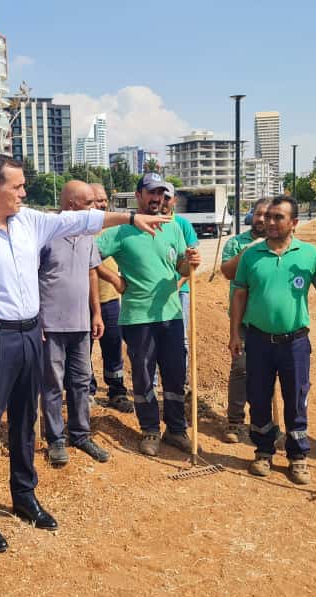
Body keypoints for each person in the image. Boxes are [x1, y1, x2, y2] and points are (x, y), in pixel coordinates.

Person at [0, 154, 167, 553]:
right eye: (18, 187)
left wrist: (130, 220)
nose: (25, 193)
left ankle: (24, 496)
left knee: (26, 420)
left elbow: (79, 220)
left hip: (31, 334)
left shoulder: (29, 221)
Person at [229, 195, 316, 485]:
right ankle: (263, 451)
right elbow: (239, 293)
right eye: (269, 217)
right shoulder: (252, 255)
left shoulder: (308, 254)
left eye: (279, 217)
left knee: (296, 398)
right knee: (259, 396)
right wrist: (233, 334)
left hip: (295, 342)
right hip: (257, 340)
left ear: (294, 223)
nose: (270, 222)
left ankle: (298, 456)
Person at [96, 173, 202, 457]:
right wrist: (115, 280)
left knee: (175, 374)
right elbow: (88, 255)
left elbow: (180, 267)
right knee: (144, 376)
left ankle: (176, 430)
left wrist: (188, 263)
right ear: (139, 195)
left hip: (171, 314)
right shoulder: (121, 230)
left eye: (163, 194)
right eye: (152, 193)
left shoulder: (173, 227)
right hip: (138, 317)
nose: (158, 199)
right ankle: (150, 430)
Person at [39, 180, 110, 467]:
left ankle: (80, 433)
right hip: (51, 324)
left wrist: (96, 312)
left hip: (81, 324)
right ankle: (56, 439)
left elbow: (92, 274)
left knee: (81, 381)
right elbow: (31, 277)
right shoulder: (46, 234)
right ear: (72, 205)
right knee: (53, 383)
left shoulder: (87, 234)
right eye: (90, 203)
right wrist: (37, 319)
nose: (95, 208)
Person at [219, 197, 271, 443]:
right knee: (240, 370)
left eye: (267, 215)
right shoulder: (235, 243)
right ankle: (235, 421)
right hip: (242, 320)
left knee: (267, 373)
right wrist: (250, 250)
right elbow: (227, 272)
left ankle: (265, 422)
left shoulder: (279, 246)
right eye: (258, 214)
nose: (261, 219)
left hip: (269, 322)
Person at [89, 183, 134, 412]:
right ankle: (87, 391)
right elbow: (89, 261)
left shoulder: (113, 229)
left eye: (104, 199)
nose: (102, 203)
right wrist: (114, 278)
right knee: (82, 350)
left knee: (113, 346)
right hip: (82, 302)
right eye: (97, 200)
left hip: (110, 300)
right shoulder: (79, 228)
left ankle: (116, 391)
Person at [162, 183, 200, 379]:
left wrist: (178, 284)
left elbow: (192, 259)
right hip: (156, 292)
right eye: (160, 196)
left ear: (174, 200)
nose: (163, 201)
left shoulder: (182, 224)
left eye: (167, 197)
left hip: (180, 290)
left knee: (181, 337)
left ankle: (181, 379)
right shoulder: (147, 222)